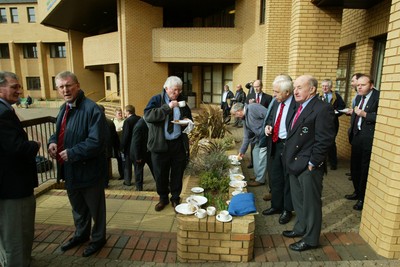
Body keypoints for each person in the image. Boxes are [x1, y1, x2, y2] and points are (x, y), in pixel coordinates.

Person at [48, 71, 108, 257]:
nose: (65, 90)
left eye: (68, 85)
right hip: (70, 170)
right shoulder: (63, 108)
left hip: (89, 172)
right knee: (78, 209)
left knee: (96, 211)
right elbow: (59, 132)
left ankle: (98, 240)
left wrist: (72, 152)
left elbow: (97, 142)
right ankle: (81, 235)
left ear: (78, 86)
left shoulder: (92, 109)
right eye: (61, 86)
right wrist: (52, 142)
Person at [282, 75, 335, 252]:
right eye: (294, 87)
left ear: (312, 89)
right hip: (294, 163)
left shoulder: (322, 109)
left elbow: (325, 139)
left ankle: (311, 239)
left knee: (311, 205)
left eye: (299, 87)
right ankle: (300, 228)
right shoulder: (298, 106)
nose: (295, 91)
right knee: (298, 201)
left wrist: (313, 162)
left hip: (308, 166)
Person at [0, 71, 41, 267]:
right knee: (16, 233)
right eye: (14, 86)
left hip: (8, 185)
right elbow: (16, 148)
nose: (19, 90)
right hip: (13, 187)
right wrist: (35, 145)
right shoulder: (3, 113)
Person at [144, 76, 192, 211]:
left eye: (179, 90)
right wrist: (167, 107)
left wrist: (187, 120)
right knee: (160, 174)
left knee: (177, 173)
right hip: (160, 144)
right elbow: (148, 116)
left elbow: (188, 117)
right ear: (166, 88)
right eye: (175, 90)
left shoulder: (182, 101)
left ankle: (175, 198)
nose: (177, 93)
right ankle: (163, 198)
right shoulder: (156, 100)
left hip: (177, 144)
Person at [263, 75, 296, 224]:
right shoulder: (277, 102)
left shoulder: (296, 105)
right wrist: (268, 126)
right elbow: (271, 119)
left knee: (287, 179)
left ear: (287, 92)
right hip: (274, 144)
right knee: (275, 177)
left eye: (277, 92)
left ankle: (287, 210)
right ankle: (276, 206)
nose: (274, 94)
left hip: (288, 146)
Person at [344, 74, 380, 211]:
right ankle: (356, 191)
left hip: (368, 138)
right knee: (355, 167)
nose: (359, 87)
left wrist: (364, 114)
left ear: (371, 85)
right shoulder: (359, 97)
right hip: (357, 136)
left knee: (364, 169)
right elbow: (356, 113)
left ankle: (362, 198)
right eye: (358, 85)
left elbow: (382, 116)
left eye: (362, 85)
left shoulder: (378, 97)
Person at [231, 102, 268, 187]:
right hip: (258, 138)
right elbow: (246, 136)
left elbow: (268, 115)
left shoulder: (253, 108)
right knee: (255, 153)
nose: (236, 117)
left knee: (262, 158)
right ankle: (257, 175)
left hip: (265, 136)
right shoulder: (244, 118)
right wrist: (242, 151)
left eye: (235, 114)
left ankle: (260, 180)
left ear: (239, 111)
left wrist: (265, 129)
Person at [245, 79, 273, 169]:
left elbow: (270, 112)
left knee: (262, 147)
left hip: (263, 127)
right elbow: (245, 108)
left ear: (261, 86)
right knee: (253, 145)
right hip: (253, 125)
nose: (256, 88)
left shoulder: (268, 97)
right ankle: (253, 162)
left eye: (258, 86)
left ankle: (263, 166)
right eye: (254, 87)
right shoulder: (249, 95)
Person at [319, 79, 345, 170]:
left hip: (333, 123)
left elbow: (342, 107)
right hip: (321, 123)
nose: (324, 88)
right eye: (323, 86)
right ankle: (322, 162)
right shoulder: (319, 96)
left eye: (326, 86)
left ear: (331, 87)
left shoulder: (336, 96)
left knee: (331, 142)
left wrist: (336, 112)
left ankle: (333, 163)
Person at [130, 117, 155, 191]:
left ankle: (161, 185)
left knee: (155, 168)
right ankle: (139, 188)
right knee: (138, 172)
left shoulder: (146, 123)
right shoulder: (139, 125)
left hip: (147, 152)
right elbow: (135, 143)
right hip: (139, 153)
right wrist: (137, 157)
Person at [98, 104, 120, 188]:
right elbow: (114, 136)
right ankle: (105, 183)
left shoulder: (94, 121)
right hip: (107, 149)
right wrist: (117, 147)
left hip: (98, 149)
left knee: (99, 167)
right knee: (106, 167)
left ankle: (100, 182)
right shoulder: (110, 122)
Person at [120, 105, 140, 186]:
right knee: (137, 166)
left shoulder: (127, 121)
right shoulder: (139, 119)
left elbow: (125, 136)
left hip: (129, 147)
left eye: (125, 111)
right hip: (138, 146)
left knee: (127, 166)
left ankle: (127, 181)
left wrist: (122, 147)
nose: (124, 113)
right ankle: (138, 182)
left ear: (128, 112)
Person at [112, 107, 125, 180]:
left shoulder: (125, 121)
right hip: (116, 144)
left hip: (123, 143)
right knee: (119, 160)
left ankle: (125, 174)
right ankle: (121, 174)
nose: (120, 114)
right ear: (115, 114)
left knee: (124, 160)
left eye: (121, 113)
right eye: (119, 113)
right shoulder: (113, 121)